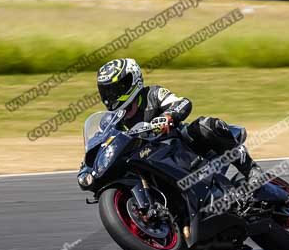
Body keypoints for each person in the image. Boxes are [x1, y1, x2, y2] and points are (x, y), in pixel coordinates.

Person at [94, 58, 264, 187]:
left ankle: (251, 170)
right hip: (147, 162)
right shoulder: (110, 120)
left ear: (132, 81)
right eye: (106, 91)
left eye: (116, 89)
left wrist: (168, 117)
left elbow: (182, 103)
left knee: (205, 125)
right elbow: (101, 142)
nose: (111, 96)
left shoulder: (152, 94)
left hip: (180, 149)